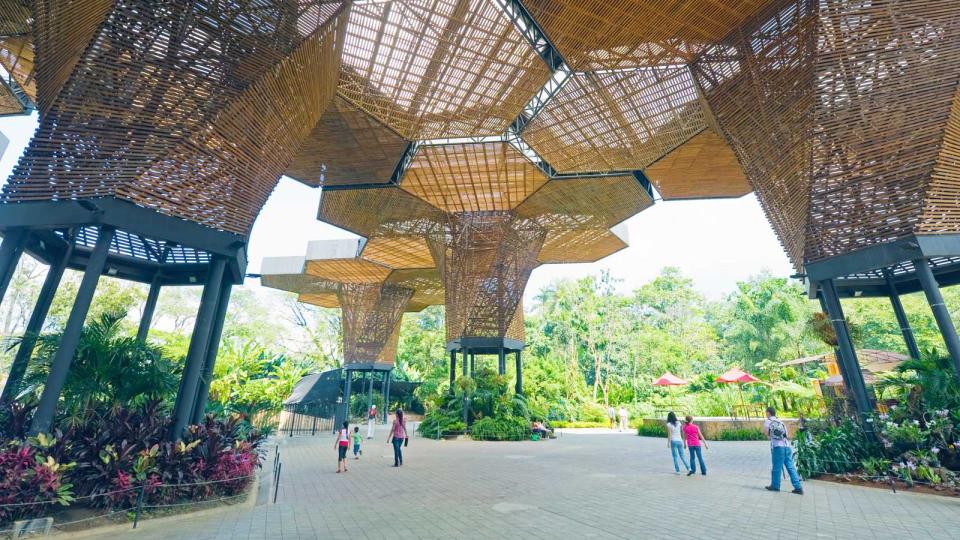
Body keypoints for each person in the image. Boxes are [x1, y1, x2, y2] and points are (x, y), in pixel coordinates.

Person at [764, 406, 803, 495]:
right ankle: (798, 487)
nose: (766, 414)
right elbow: (787, 434)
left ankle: (775, 486)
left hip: (778, 447)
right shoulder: (780, 422)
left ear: (768, 413)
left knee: (776, 467)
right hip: (787, 446)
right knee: (790, 467)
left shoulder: (768, 421)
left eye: (766, 412)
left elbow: (767, 434)